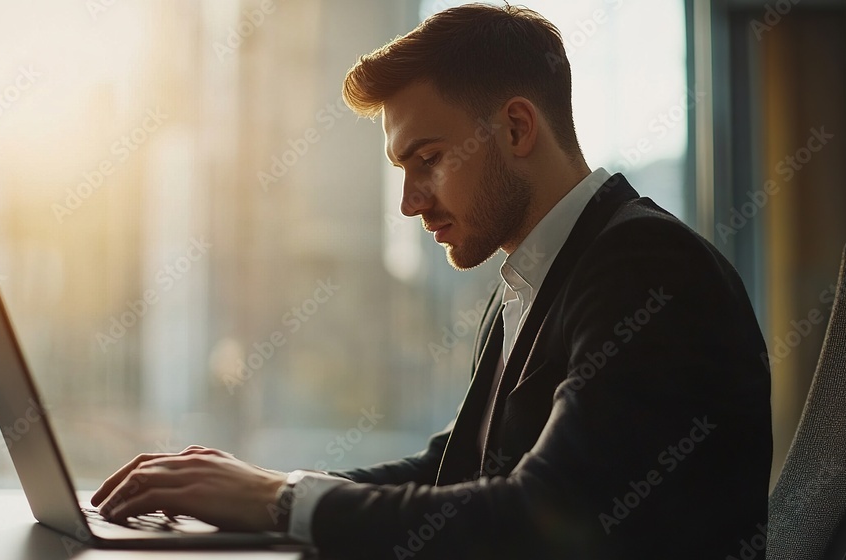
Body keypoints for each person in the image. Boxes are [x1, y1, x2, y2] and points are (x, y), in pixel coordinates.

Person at [91, 3, 772, 558]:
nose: (410, 203)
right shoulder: (542, 273)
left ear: (514, 128)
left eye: (429, 159)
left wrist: (279, 502)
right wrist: (263, 488)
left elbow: (546, 513)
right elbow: (451, 470)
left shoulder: (647, 268)